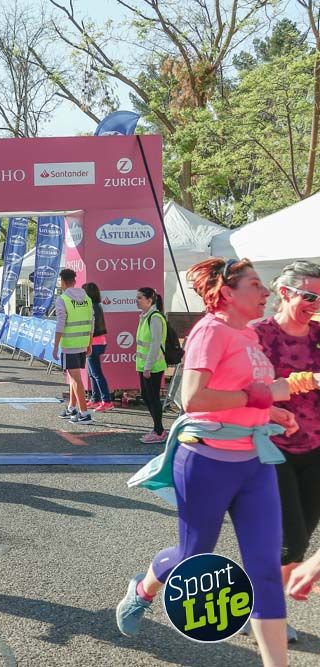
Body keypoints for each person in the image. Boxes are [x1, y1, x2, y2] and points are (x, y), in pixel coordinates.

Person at [115, 257, 310, 666]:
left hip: (256, 461)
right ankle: (144, 588)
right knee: (194, 559)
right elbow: (194, 399)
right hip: (207, 462)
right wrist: (261, 397)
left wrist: (271, 411)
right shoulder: (210, 331)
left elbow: (247, 390)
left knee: (265, 569)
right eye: (255, 285)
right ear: (227, 294)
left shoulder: (249, 336)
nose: (266, 292)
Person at [252, 260, 320, 640]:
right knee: (289, 537)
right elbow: (242, 385)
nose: (315, 304)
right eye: (309, 296)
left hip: (316, 448)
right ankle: (266, 613)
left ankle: (264, 603)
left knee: (302, 538)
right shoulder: (258, 334)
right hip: (268, 449)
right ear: (284, 293)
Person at [52, 269, 94, 425]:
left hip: (69, 344)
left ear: (62, 281)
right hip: (82, 342)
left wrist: (56, 346)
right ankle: (72, 408)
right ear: (75, 281)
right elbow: (91, 321)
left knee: (75, 379)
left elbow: (60, 324)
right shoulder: (87, 298)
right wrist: (89, 342)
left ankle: (84, 413)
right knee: (74, 377)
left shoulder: (63, 299)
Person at [136, 287, 168, 443]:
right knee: (146, 396)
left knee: (153, 398)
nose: (137, 301)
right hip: (144, 365)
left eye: (140, 298)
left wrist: (148, 366)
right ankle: (158, 428)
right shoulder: (145, 316)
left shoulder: (154, 317)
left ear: (150, 300)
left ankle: (159, 430)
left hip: (153, 366)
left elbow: (155, 344)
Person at [82, 283, 112, 412]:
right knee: (92, 373)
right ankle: (96, 399)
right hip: (97, 342)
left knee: (96, 374)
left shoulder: (91, 307)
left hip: (93, 343)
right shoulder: (96, 306)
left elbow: (90, 328)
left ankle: (106, 401)